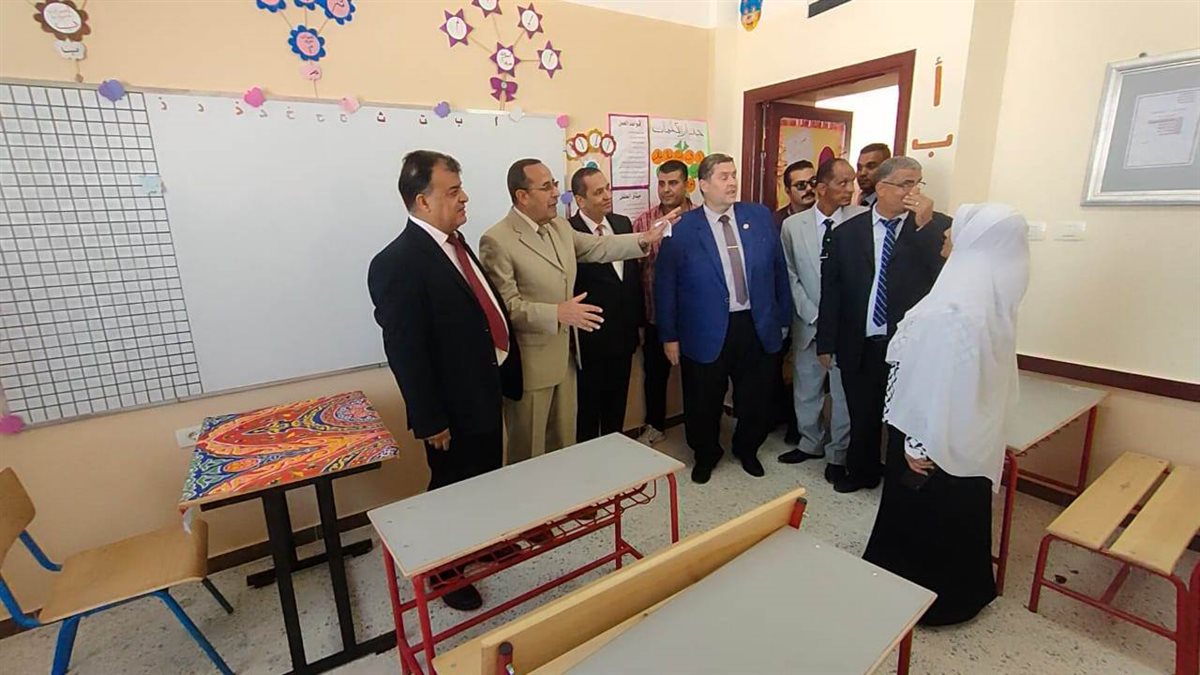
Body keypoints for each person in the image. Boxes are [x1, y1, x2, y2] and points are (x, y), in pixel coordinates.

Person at [367, 150, 522, 612]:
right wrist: (430, 418)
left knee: (485, 478)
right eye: (453, 191)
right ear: (422, 200)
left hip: (484, 389)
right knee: (451, 488)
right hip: (449, 408)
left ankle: (483, 544)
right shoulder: (397, 262)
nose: (464, 197)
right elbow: (406, 351)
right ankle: (444, 571)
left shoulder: (456, 243)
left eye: (461, 188)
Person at [863, 203, 1030, 626]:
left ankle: (923, 600)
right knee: (961, 514)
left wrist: (918, 444)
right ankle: (963, 592)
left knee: (925, 518)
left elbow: (936, 382)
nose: (945, 234)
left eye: (955, 229)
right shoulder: (989, 299)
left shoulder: (952, 309)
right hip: (968, 434)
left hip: (929, 434)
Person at [479, 159, 678, 463]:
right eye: (546, 187)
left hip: (568, 361)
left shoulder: (559, 227)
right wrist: (556, 313)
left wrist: (643, 239)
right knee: (529, 454)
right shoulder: (497, 239)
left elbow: (598, 248)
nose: (555, 193)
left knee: (565, 447)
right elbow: (506, 309)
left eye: (554, 184)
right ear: (522, 196)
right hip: (532, 368)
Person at [655, 153, 792, 484]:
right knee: (703, 399)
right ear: (703, 185)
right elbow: (665, 286)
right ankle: (706, 454)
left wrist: (783, 318)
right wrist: (669, 336)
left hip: (755, 324)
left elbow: (779, 270)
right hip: (703, 329)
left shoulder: (759, 216)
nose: (732, 182)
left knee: (755, 396)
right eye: (723, 177)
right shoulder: (682, 229)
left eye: (734, 175)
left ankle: (748, 448)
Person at [817, 156, 949, 493]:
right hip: (860, 341)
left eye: (917, 183)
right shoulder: (847, 232)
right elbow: (832, 290)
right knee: (862, 414)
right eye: (905, 184)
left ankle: (900, 482)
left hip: (909, 346)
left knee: (905, 417)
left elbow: (944, 280)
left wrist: (924, 226)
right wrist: (826, 342)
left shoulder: (937, 228)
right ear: (881, 187)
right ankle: (862, 472)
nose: (913, 191)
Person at [778, 158, 861, 483]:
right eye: (843, 182)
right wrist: (814, 314)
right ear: (822, 188)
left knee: (842, 394)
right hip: (808, 320)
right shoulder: (793, 226)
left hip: (846, 325)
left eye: (852, 181)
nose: (850, 189)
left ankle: (838, 454)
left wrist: (836, 318)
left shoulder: (860, 219)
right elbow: (790, 275)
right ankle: (809, 442)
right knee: (806, 387)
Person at [568, 167, 642, 442]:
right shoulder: (567, 232)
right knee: (588, 410)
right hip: (591, 339)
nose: (607, 195)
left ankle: (616, 452)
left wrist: (638, 324)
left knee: (617, 406)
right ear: (580, 199)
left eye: (608, 188)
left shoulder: (622, 224)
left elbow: (631, 279)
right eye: (598, 192)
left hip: (624, 335)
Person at [631, 160, 694, 445]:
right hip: (655, 316)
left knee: (697, 376)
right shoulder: (643, 223)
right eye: (662, 183)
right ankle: (655, 425)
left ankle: (699, 425)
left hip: (693, 318)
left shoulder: (700, 220)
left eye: (673, 183)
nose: (666, 189)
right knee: (655, 375)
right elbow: (633, 273)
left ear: (687, 185)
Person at [772, 160, 816, 229]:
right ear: (788, 191)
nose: (809, 188)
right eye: (801, 185)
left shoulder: (826, 215)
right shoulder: (776, 221)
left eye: (813, 182)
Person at [855, 143, 891, 208]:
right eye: (859, 168)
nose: (862, 173)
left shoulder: (893, 204)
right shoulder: (857, 199)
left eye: (870, 166)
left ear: (887, 168)